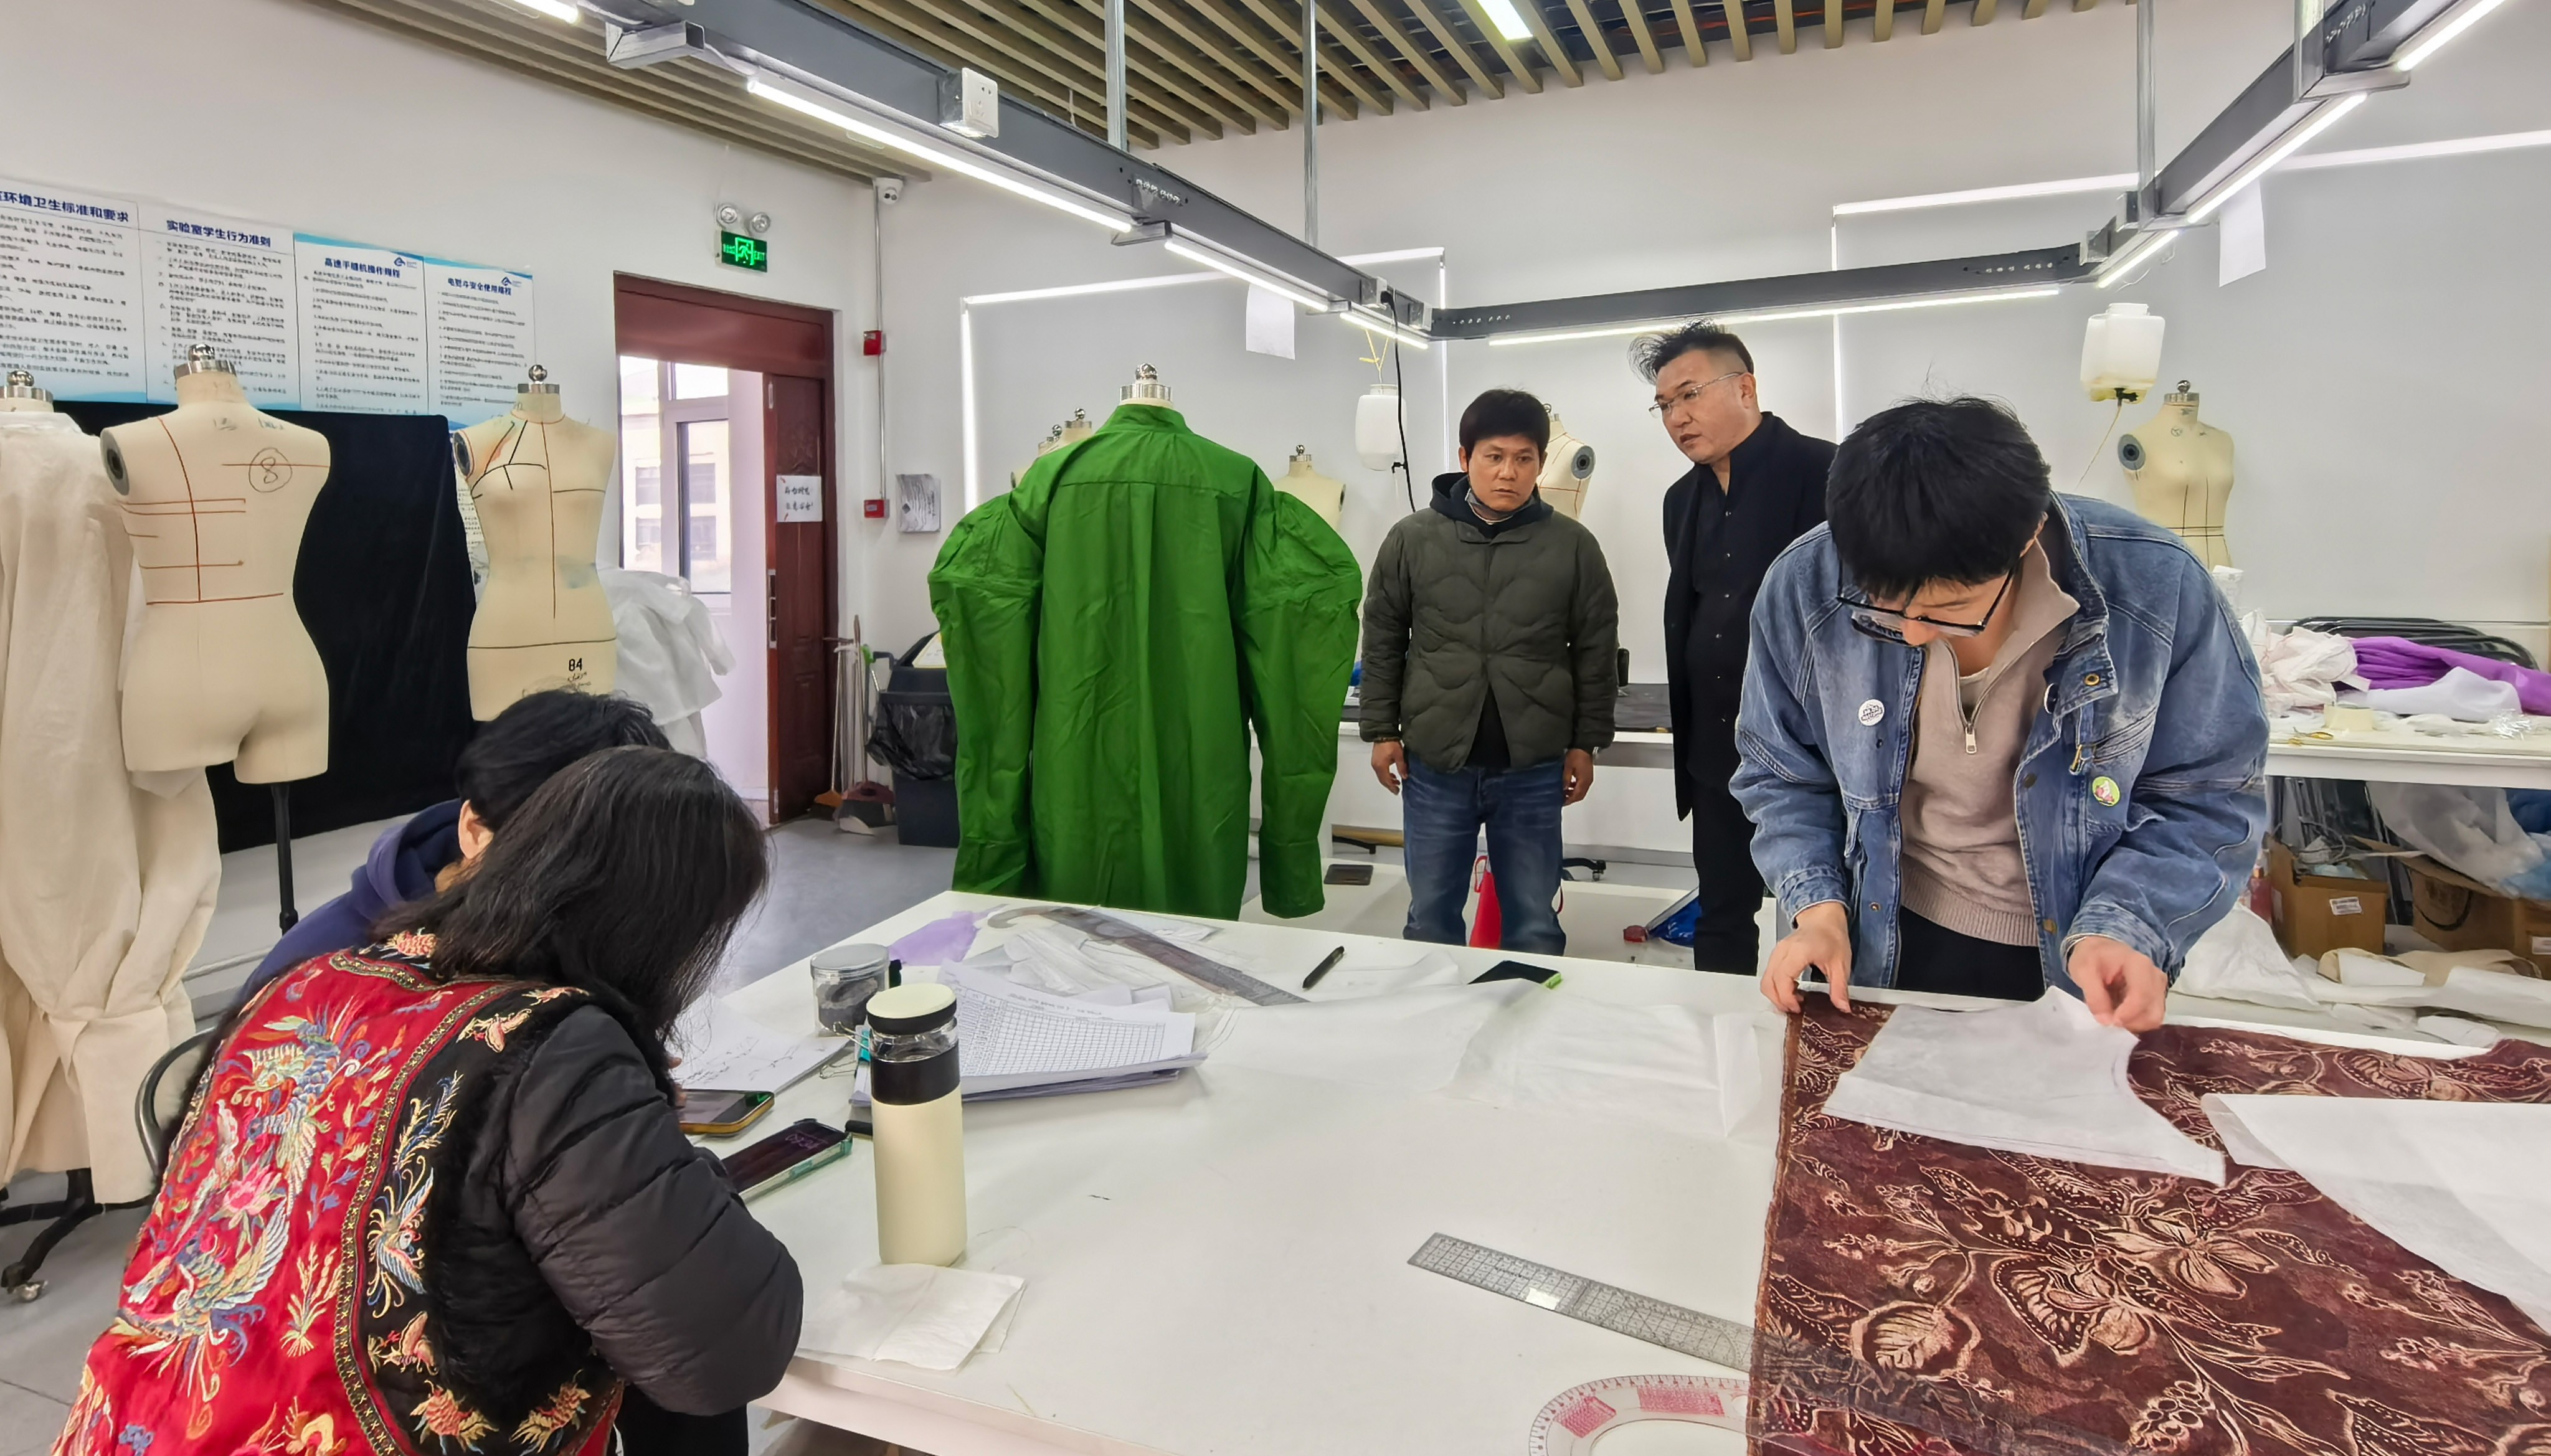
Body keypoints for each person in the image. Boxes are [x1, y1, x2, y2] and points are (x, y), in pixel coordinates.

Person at [59, 748, 796, 1456]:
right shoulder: (556, 1045)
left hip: (132, 1425)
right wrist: (691, 1177)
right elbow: (720, 1356)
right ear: (660, 934)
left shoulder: (311, 980)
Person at [1735, 397, 2268, 1031]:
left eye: (1948, 609)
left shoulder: (2158, 586)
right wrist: (1818, 910)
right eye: (1884, 608)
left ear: (2027, 537)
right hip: (1878, 931)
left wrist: (2128, 924)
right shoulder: (1805, 584)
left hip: (2079, 947)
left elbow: (2207, 796)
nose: (1912, 634)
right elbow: (1782, 774)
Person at [1361, 388, 1619, 953]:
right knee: (1430, 918)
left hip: (1533, 766)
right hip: (1436, 764)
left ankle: (1527, 1010)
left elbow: (1596, 651)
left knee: (1534, 922)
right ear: (1465, 458)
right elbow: (1382, 638)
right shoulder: (1413, 538)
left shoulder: (1572, 546)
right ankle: (1437, 1009)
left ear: (1541, 462)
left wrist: (1587, 742)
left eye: (1524, 458)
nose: (1509, 472)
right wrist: (1381, 730)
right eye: (1494, 456)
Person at [241, 689, 669, 1000]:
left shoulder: (569, 925)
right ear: (474, 829)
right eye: (568, 862)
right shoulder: (327, 969)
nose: (593, 889)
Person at [1637, 321, 1835, 974]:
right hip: (1716, 746)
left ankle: (1820, 1029)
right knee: (1721, 911)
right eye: (1664, 405)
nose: (1677, 417)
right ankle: (1714, 1025)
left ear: (1745, 388)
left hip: (1812, 751)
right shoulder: (1680, 501)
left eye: (1689, 395)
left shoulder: (1829, 473)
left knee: (1827, 915)